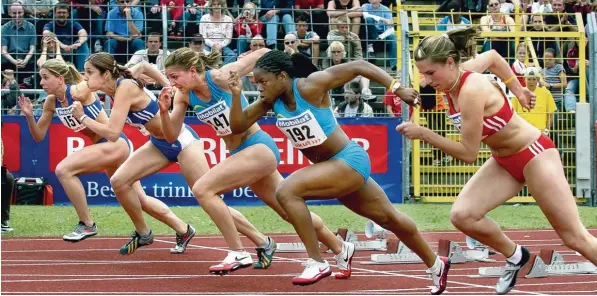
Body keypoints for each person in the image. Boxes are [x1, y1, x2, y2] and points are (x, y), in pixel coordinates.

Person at [228, 50, 450, 292]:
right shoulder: (271, 101)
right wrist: (237, 95)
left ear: (282, 77)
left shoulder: (310, 86)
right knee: (389, 218)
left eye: (262, 81)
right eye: (255, 83)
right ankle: (436, 264)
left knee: (287, 192)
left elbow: (359, 64)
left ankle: (316, 261)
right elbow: (238, 125)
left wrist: (396, 87)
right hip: (331, 169)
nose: (259, 88)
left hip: (348, 160)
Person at [396, 27, 597, 294]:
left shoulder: (470, 91)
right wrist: (519, 89)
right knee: (463, 215)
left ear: (451, 63)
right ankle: (516, 256)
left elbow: (468, 154)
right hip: (504, 162)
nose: (426, 79)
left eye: (431, 73)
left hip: (535, 155)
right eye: (423, 73)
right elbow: (492, 56)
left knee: (574, 237)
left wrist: (424, 134)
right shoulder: (455, 75)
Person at [161, 48, 351, 277]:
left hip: (258, 147)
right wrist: (164, 111)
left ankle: (237, 251)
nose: (172, 82)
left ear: (192, 71)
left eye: (175, 76)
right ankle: (340, 247)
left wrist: (282, 54)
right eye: (169, 77)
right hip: (241, 153)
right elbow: (172, 136)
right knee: (288, 212)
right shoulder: (183, 96)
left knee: (203, 188)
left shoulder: (220, 77)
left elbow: (261, 55)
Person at [74, 53, 275, 262]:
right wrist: (166, 85)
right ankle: (145, 233)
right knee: (119, 181)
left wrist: (82, 117)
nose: (86, 77)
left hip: (182, 141)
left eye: (89, 72)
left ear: (106, 74)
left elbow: (113, 133)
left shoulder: (124, 86)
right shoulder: (120, 83)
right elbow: (143, 66)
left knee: (207, 196)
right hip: (159, 143)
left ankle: (262, 241)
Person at [17, 59, 195, 254]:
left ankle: (87, 224)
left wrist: (163, 83)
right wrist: (28, 116)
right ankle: (183, 229)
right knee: (140, 199)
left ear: (60, 79)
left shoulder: (78, 91)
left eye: (45, 77)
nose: (41, 83)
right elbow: (39, 135)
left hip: (114, 143)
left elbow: (109, 77)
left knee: (64, 169)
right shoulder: (51, 102)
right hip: (106, 146)